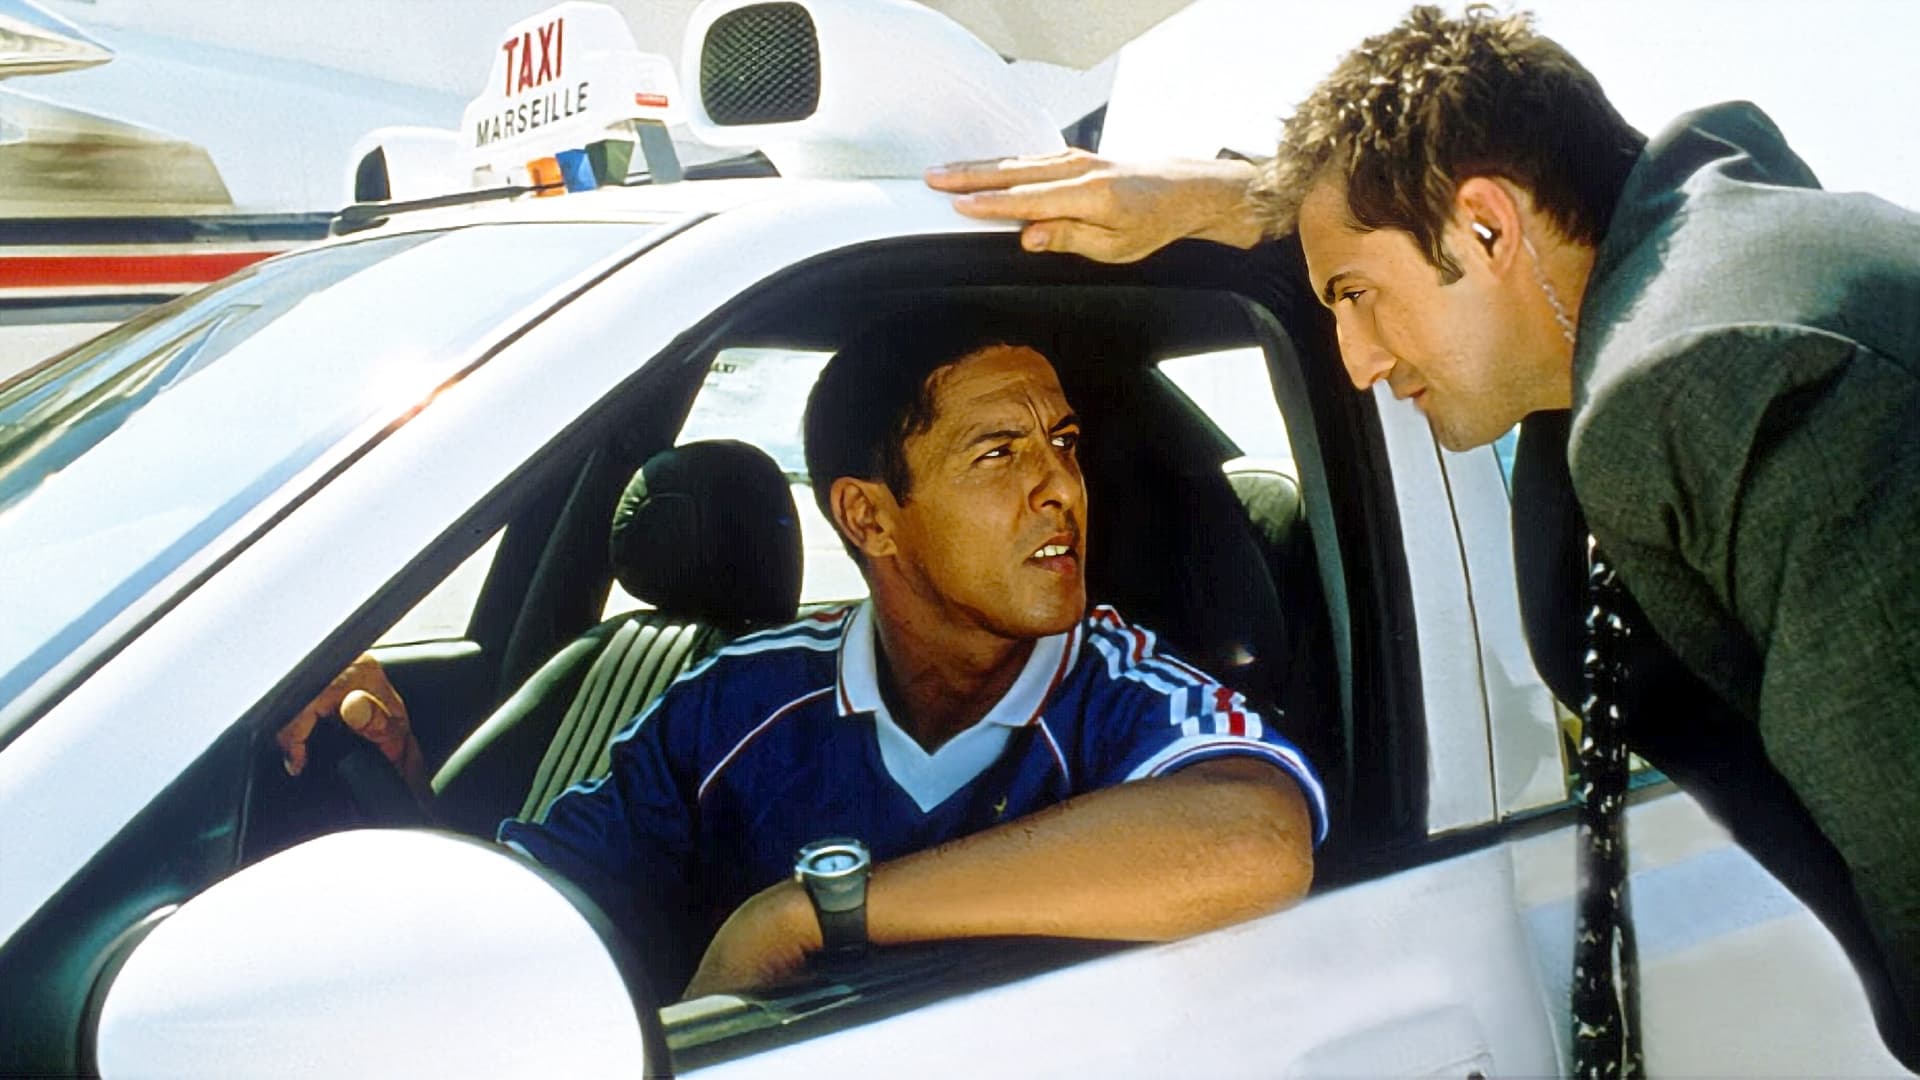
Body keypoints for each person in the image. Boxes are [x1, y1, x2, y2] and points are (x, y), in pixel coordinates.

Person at [926, 4, 1920, 1062]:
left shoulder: (1712, 377)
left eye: (1356, 296)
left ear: (1487, 227)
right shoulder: (1721, 248)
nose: (1355, 360)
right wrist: (1239, 198)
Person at [279, 305, 1326, 1002]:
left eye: (1063, 443)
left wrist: (811, 914)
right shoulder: (741, 695)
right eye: (998, 454)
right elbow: (547, 911)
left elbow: (1256, 840)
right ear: (870, 518)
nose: (1059, 487)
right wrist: (403, 787)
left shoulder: (1125, 688)